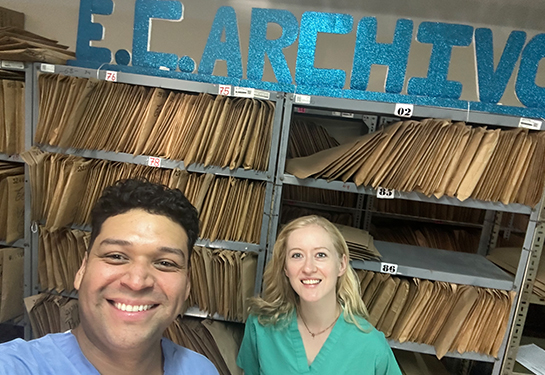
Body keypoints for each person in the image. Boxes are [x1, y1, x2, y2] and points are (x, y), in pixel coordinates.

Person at [0, 179, 219, 375]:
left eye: (165, 263)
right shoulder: (14, 366)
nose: (136, 282)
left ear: (187, 286)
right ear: (82, 270)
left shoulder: (200, 369)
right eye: (116, 256)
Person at [237, 215, 402, 375]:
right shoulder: (260, 328)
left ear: (341, 264)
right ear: (285, 268)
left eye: (320, 255)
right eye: (297, 255)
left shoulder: (372, 347)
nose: (308, 268)